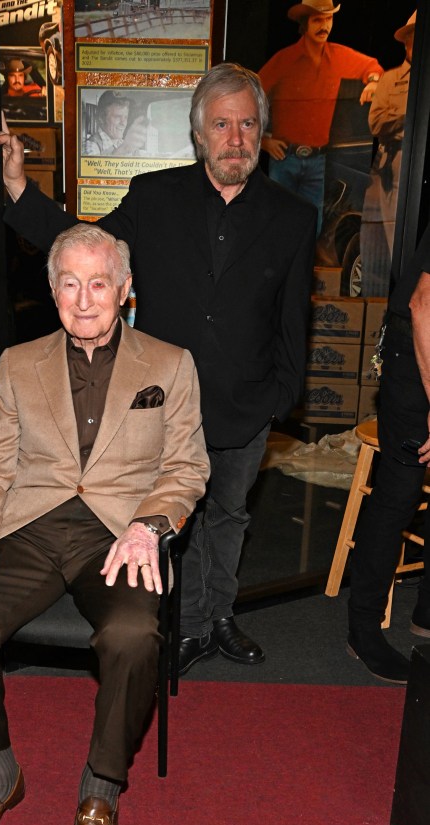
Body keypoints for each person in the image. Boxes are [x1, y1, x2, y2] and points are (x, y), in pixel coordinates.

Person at [0, 62, 318, 676]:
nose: (236, 139)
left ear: (262, 131)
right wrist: (19, 189)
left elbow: (294, 315)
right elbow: (84, 247)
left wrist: (282, 397)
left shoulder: (293, 216)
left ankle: (219, 616)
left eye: (248, 124)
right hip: (159, 402)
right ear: (199, 134)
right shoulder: (154, 195)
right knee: (170, 520)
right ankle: (186, 623)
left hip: (245, 401)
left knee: (230, 515)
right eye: (221, 125)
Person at [0, 223, 209, 825]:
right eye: (69, 284)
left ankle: (101, 788)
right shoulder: (18, 363)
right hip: (29, 527)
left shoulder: (170, 364)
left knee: (132, 635)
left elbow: (186, 467)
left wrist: (150, 525)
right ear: (53, 290)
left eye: (99, 284)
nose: (84, 300)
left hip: (119, 532)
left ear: (125, 289)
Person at [347, 221, 430, 685]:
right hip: (418, 346)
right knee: (400, 491)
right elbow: (423, 305)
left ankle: (427, 611)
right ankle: (363, 629)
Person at [258, 0, 383, 234]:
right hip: (285, 159)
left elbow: (372, 67)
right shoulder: (284, 59)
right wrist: (263, 141)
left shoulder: (337, 56)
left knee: (311, 229)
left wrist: (374, 82)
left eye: (329, 19)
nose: (324, 26)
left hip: (318, 161)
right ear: (304, 24)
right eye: (317, 20)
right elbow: (251, 96)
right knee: (277, 227)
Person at [360, 12, 416, 297]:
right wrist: (409, 115)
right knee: (387, 237)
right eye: (414, 37)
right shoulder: (391, 79)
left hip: (418, 164)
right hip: (392, 163)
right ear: (406, 42)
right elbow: (376, 123)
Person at [83, 91, 147, 157]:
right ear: (101, 118)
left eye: (125, 117)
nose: (123, 123)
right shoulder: (90, 146)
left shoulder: (122, 143)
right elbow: (94, 164)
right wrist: (124, 149)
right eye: (118, 116)